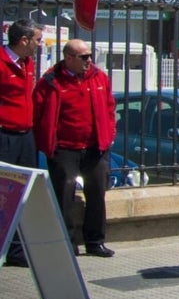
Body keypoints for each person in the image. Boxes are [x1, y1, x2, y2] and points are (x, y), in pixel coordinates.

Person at [33, 38, 118, 257]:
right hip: (65, 149)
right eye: (84, 57)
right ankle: (66, 243)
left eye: (90, 55)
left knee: (97, 194)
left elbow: (110, 108)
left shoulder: (99, 77)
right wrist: (47, 143)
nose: (89, 60)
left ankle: (95, 241)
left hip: (95, 147)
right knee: (65, 196)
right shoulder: (51, 81)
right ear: (68, 58)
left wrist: (109, 135)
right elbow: (39, 112)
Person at [1, 19, 43, 267]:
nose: (40, 44)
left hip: (25, 135)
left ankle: (18, 251)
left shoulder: (27, 62)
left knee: (23, 193)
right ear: (23, 40)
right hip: (4, 135)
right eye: (37, 39)